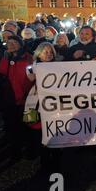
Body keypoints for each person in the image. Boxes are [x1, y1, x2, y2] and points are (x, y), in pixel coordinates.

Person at [25, 42, 61, 170]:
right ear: (39, 53)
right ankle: (44, 161)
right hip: (37, 103)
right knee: (38, 131)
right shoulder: (31, 67)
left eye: (51, 52)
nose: (49, 54)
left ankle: (57, 161)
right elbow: (30, 78)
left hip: (54, 103)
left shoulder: (59, 66)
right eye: (46, 52)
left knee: (56, 130)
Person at [0, 35, 33, 159]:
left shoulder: (29, 58)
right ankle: (15, 149)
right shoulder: (5, 57)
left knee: (30, 124)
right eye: (9, 43)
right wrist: (6, 59)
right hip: (11, 99)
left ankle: (30, 149)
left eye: (14, 43)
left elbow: (33, 76)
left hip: (28, 99)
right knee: (13, 125)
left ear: (21, 44)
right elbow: (1, 72)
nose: (11, 45)